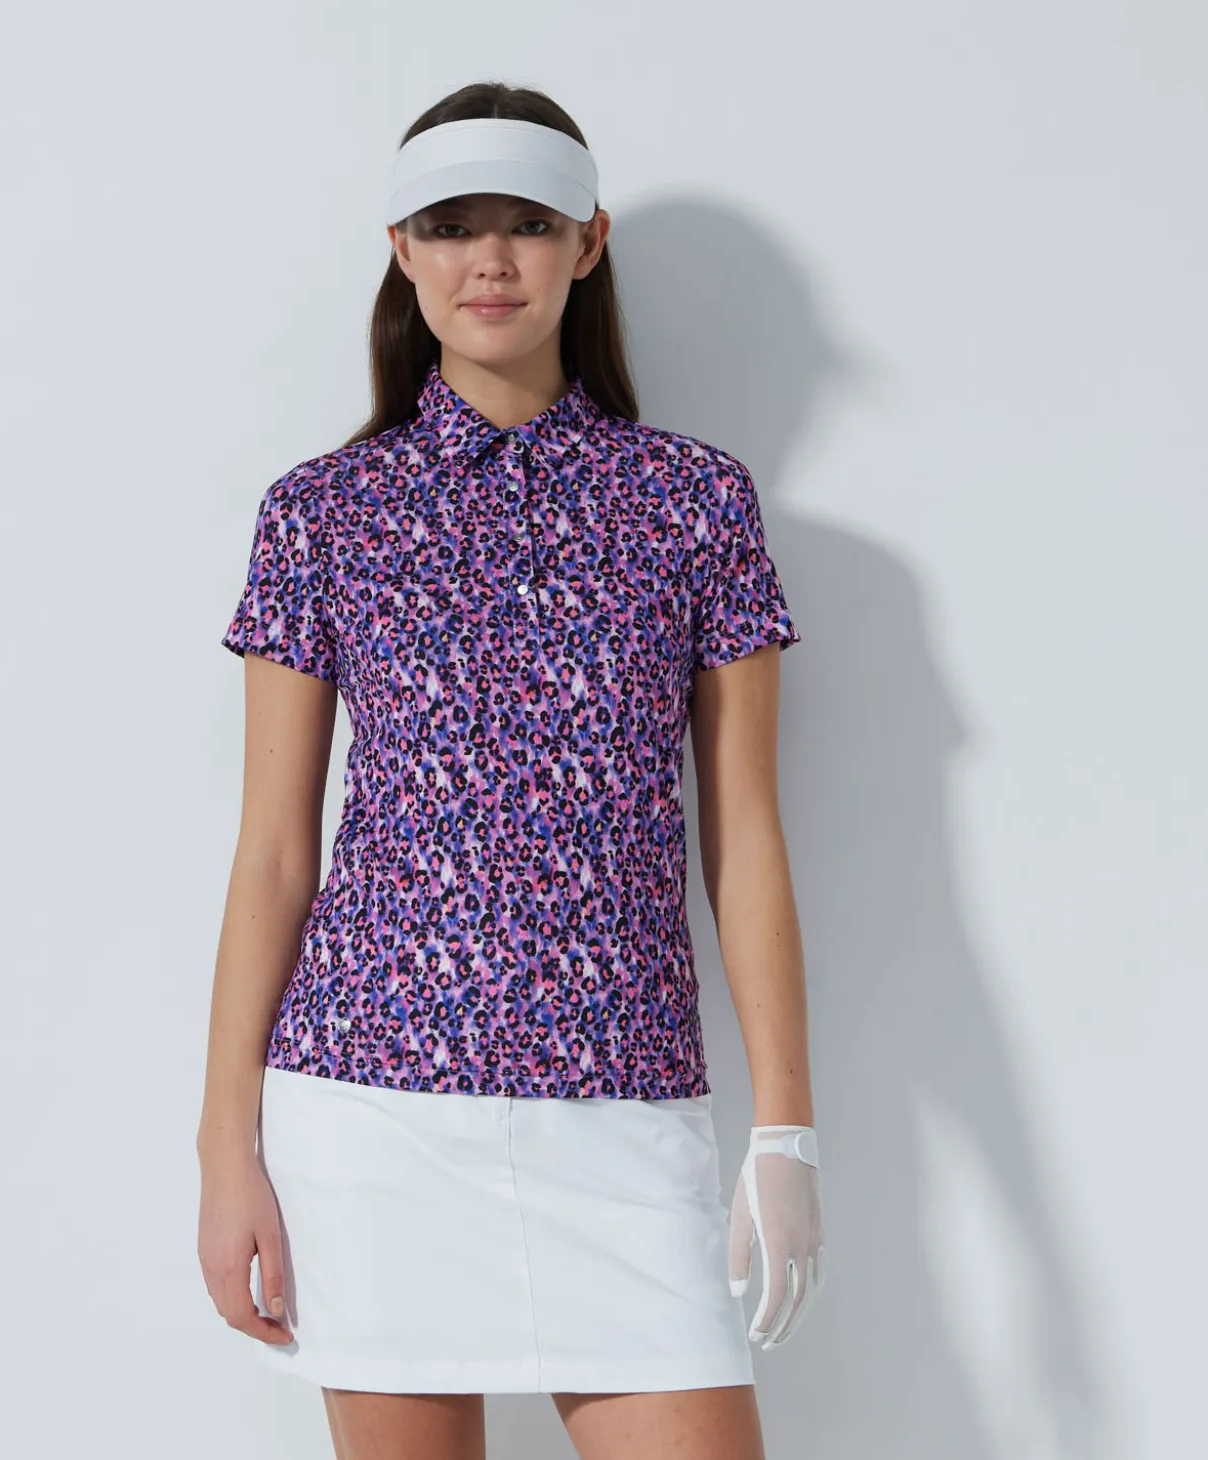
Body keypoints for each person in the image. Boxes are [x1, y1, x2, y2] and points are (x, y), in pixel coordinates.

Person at [196, 81, 826, 1460]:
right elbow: (276, 856)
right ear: (401, 248)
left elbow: (745, 838)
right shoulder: (321, 515)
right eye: (451, 226)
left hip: (623, 1109)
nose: (491, 260)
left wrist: (786, 1131)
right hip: (373, 1111)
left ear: (588, 243)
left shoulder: (694, 503)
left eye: (529, 224)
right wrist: (224, 1149)